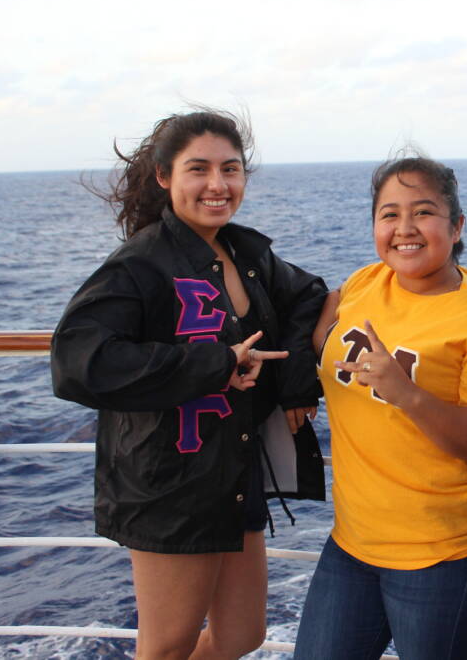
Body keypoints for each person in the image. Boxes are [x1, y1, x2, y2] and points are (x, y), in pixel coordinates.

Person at [51, 109, 328, 659]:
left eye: (230, 169)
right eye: (198, 169)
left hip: (234, 472)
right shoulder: (141, 262)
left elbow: (311, 297)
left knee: (242, 635)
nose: (217, 184)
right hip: (170, 484)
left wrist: (296, 383)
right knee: (167, 646)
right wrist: (214, 364)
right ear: (164, 176)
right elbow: (77, 358)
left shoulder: (247, 255)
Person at [293, 155, 467, 660]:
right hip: (353, 542)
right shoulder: (364, 282)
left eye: (423, 212)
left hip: (445, 555)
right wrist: (296, 386)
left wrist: (409, 396)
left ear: (457, 227)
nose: (405, 228)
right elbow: (323, 331)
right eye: (389, 214)